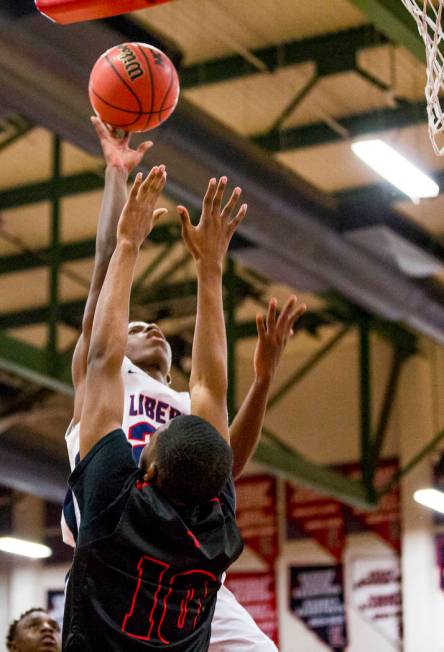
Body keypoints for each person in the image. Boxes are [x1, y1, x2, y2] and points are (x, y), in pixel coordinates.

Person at [61, 119, 306, 651]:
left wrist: (136, 241)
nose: (146, 325)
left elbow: (223, 458)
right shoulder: (116, 377)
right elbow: (103, 283)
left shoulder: (182, 419)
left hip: (150, 553)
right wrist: (115, 176)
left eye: (153, 328)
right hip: (134, 557)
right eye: (132, 326)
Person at [62, 167, 248, 649]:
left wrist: (129, 245)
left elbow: (104, 357)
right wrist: (210, 268)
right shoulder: (217, 531)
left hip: (113, 558)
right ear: (217, 488)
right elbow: (210, 386)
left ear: (146, 467)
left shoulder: (112, 500)